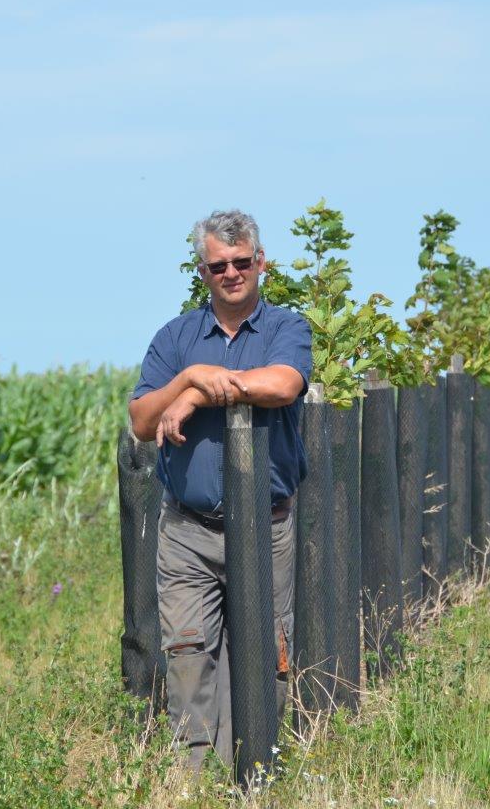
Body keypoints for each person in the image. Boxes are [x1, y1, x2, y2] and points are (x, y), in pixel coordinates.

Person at [128, 209, 312, 769]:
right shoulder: (175, 338)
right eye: (218, 266)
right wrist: (188, 376)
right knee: (187, 653)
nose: (231, 273)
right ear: (202, 271)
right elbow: (141, 420)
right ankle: (195, 781)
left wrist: (200, 394)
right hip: (187, 530)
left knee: (266, 654)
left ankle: (257, 774)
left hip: (265, 528)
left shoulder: (286, 328)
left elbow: (283, 384)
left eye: (241, 262)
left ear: (261, 263)